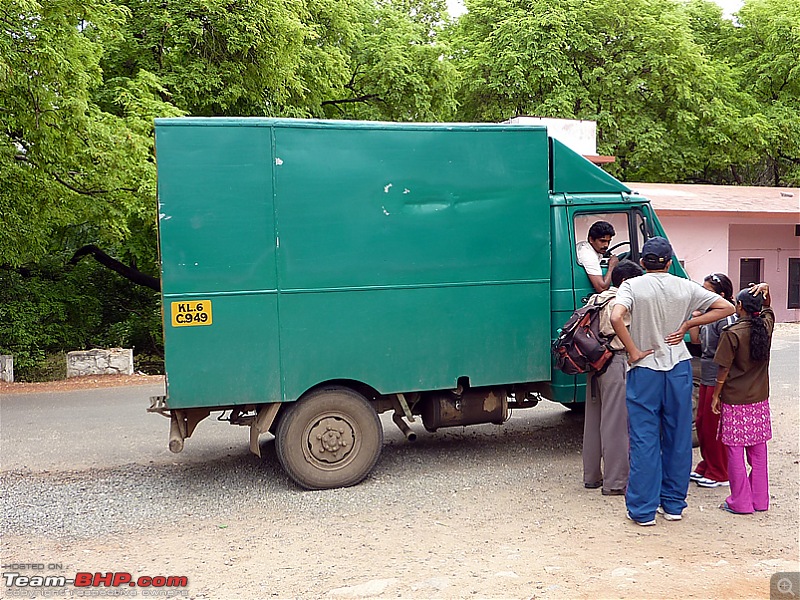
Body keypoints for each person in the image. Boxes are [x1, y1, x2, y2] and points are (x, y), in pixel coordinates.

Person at [609, 236, 735, 526]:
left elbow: (617, 317)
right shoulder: (684, 285)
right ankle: (674, 505)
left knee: (644, 439)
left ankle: (643, 511)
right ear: (668, 262)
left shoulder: (632, 285)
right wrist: (689, 323)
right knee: (678, 437)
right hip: (678, 367)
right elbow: (726, 308)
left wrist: (633, 350)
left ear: (642, 263)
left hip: (645, 368)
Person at [583, 260, 644, 496]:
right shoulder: (622, 302)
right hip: (615, 361)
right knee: (616, 423)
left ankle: (591, 476)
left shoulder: (595, 299)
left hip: (593, 362)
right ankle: (616, 482)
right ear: (627, 282)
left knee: (594, 421)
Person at [712, 283, 774, 515]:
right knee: (758, 452)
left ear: (739, 306)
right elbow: (768, 309)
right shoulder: (766, 326)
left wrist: (716, 395)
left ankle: (740, 501)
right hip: (760, 399)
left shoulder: (732, 333)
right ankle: (760, 500)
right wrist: (766, 292)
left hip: (735, 400)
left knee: (735, 451)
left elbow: (723, 370)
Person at [689, 273, 737, 489]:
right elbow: (697, 340)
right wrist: (694, 318)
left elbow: (728, 353)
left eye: (707, 291)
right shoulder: (708, 315)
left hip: (718, 375)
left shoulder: (725, 318)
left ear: (722, 295)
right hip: (707, 372)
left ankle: (720, 472)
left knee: (714, 426)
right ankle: (708, 465)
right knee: (702, 423)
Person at [576, 221, 619, 293]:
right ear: (591, 240)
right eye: (602, 241)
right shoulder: (588, 255)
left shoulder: (588, 247)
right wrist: (612, 266)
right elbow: (602, 288)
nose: (606, 245)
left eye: (608, 241)